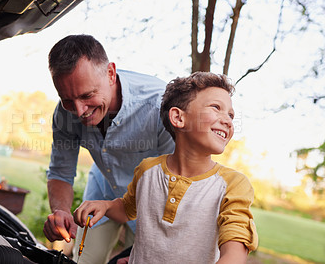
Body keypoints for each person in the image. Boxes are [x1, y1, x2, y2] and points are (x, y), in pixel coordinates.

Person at [73, 71, 259, 263]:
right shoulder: (147, 170)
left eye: (230, 114)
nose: (228, 120)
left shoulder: (233, 185)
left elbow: (234, 252)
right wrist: (105, 205)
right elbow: (128, 208)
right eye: (216, 107)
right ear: (178, 118)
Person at [43, 34, 175, 263]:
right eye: (67, 99)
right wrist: (61, 211)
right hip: (103, 188)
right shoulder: (65, 113)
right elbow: (60, 172)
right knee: (84, 260)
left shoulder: (160, 106)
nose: (79, 110)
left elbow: (175, 181)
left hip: (151, 202)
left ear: (110, 74)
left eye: (87, 95)